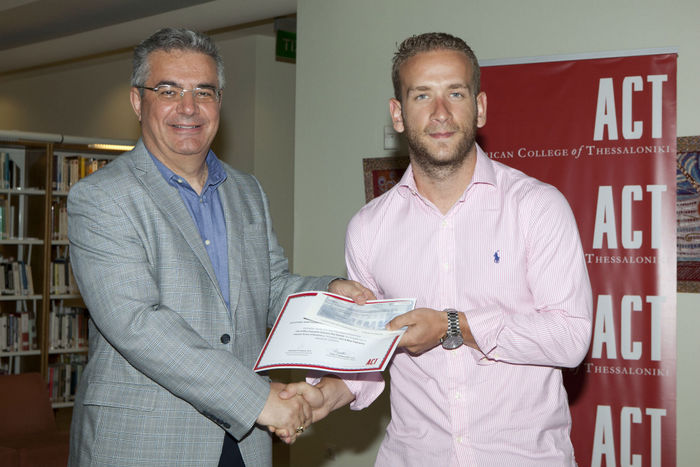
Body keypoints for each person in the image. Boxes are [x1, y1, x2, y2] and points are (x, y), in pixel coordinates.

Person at [67, 27, 373, 467]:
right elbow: (139, 324)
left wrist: (329, 294)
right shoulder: (101, 198)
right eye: (168, 90)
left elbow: (268, 291)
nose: (188, 107)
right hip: (147, 443)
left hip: (243, 445)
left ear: (219, 102)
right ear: (138, 100)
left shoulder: (247, 191)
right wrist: (259, 400)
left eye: (203, 92)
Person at [286, 32, 593, 466]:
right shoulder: (368, 228)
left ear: (480, 107)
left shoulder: (538, 207)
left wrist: (454, 325)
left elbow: (570, 338)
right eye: (421, 95)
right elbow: (370, 356)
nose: (441, 113)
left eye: (455, 93)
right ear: (397, 113)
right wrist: (323, 396)